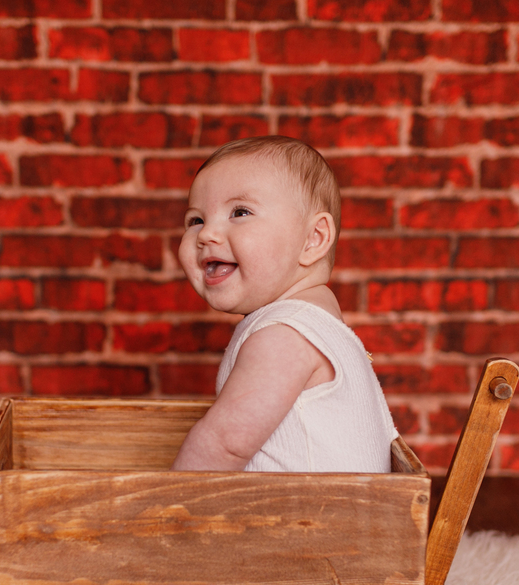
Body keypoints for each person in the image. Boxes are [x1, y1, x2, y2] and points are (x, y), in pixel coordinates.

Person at [170, 136, 398, 472]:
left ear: (313, 239)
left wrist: (162, 507)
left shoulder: (284, 335)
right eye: (196, 220)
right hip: (339, 513)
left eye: (240, 212)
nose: (206, 235)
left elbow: (224, 443)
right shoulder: (317, 319)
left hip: (312, 520)